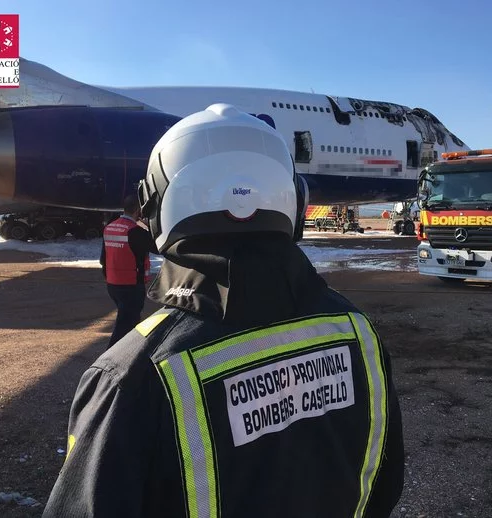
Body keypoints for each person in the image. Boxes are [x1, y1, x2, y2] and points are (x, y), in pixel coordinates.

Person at [44, 104, 404, 517]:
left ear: (156, 207)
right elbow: (384, 483)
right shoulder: (359, 334)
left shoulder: (133, 374)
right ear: (295, 199)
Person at [99, 194, 158, 347]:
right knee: (125, 326)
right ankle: (112, 355)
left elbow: (102, 259)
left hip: (113, 285)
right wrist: (149, 225)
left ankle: (131, 350)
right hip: (131, 285)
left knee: (130, 322)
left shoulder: (110, 227)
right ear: (138, 210)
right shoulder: (135, 232)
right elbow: (158, 247)